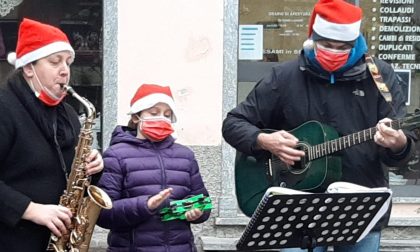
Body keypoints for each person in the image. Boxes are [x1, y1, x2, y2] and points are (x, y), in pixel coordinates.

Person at [222, 0, 418, 251]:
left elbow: (402, 150)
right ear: (312, 38)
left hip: (358, 206)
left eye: (343, 47)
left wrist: (399, 144)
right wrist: (263, 140)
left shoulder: (379, 77)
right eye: (326, 44)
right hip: (295, 206)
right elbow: (234, 123)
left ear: (356, 42)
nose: (333, 51)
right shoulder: (284, 77)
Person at [0, 18, 104, 251]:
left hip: (57, 240)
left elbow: (75, 176)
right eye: (54, 61)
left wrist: (94, 167)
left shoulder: (67, 111)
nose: (65, 71)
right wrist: (29, 209)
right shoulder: (4, 108)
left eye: (68, 62)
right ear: (28, 68)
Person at [96, 83, 211, 252]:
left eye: (167, 114)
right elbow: (103, 214)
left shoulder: (185, 155)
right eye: (154, 113)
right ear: (136, 116)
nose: (161, 118)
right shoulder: (115, 155)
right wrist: (145, 205)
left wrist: (197, 211)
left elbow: (203, 203)